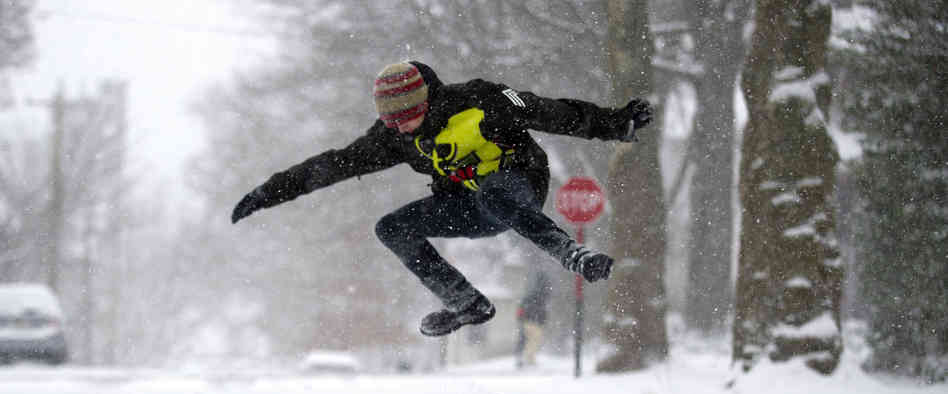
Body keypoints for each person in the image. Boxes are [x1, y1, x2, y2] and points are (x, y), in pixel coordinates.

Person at [232, 61, 652, 337]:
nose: (401, 129)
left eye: (406, 116)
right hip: (469, 206)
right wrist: (268, 192)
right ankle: (467, 304)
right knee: (391, 227)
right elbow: (334, 164)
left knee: (495, 192)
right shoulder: (394, 137)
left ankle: (571, 254)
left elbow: (551, 111)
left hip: (520, 184)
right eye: (390, 121)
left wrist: (615, 124)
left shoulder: (481, 100)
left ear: (425, 99)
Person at [515, 270, 552, 368]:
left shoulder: (532, 296)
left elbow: (523, 307)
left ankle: (525, 357)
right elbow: (542, 310)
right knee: (534, 340)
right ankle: (529, 358)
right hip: (534, 322)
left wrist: (520, 318)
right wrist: (543, 320)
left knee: (527, 339)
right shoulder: (541, 297)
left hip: (528, 320)